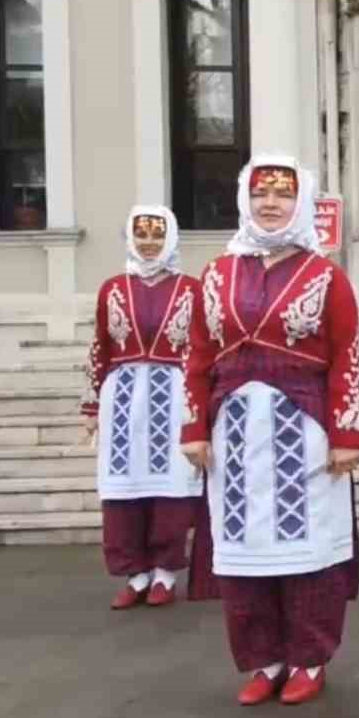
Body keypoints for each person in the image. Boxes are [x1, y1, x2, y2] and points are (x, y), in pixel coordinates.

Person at [181, 155, 359, 706]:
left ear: (301, 203)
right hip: (233, 436)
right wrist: (194, 427)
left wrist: (347, 435)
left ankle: (309, 659)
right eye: (261, 194)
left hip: (303, 430)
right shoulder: (217, 274)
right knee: (242, 552)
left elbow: (348, 355)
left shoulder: (326, 277)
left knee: (308, 552)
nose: (270, 204)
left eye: (283, 196)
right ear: (245, 199)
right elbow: (197, 354)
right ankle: (263, 661)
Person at [82, 206, 202, 609]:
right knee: (124, 489)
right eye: (141, 235)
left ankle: (165, 574)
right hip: (123, 400)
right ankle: (135, 574)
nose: (148, 244)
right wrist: (91, 404)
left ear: (170, 239)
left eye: (156, 235)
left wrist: (204, 406)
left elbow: (204, 350)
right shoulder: (112, 288)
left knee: (172, 484)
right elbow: (100, 346)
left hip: (174, 397)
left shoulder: (192, 289)